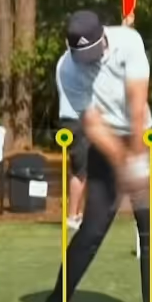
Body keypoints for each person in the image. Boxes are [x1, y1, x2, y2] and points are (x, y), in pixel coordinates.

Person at [28, 10, 152, 302]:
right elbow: (93, 124)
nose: (85, 62)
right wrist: (122, 163)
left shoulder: (129, 43)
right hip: (104, 145)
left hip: (142, 137)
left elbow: (138, 105)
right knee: (90, 233)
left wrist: (138, 158)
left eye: (90, 55)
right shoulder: (66, 68)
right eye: (78, 56)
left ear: (104, 42)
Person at [56, 52, 87, 231]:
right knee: (80, 170)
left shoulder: (64, 60)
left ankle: (78, 212)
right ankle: (73, 215)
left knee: (84, 168)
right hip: (77, 119)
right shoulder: (74, 62)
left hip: (70, 118)